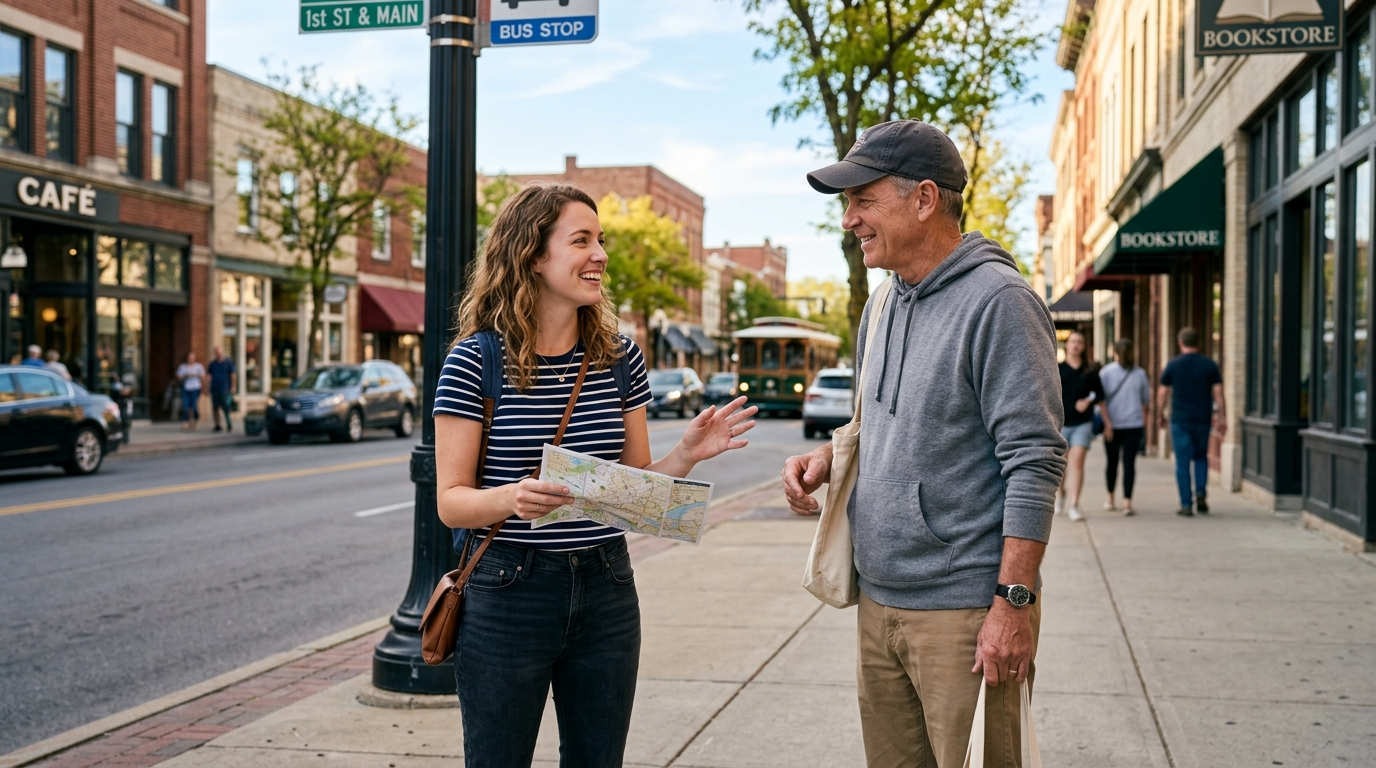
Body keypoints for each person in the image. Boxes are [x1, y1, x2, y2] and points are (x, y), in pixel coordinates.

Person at [432, 184, 757, 768]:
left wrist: (685, 454)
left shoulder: (619, 358)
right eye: (581, 240)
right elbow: (451, 504)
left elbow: (634, 488)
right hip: (508, 591)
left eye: (600, 239)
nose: (600, 254)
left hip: (607, 585)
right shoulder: (475, 360)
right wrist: (514, 497)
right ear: (532, 254)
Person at [781, 120, 1067, 768]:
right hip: (878, 600)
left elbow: (1034, 458)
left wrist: (1012, 606)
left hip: (966, 613)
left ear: (924, 199)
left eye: (862, 200)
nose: (849, 219)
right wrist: (828, 460)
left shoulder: (1000, 303)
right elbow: (880, 422)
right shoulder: (881, 304)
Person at [1158, 327, 1226, 516]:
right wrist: (1222, 416)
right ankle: (1201, 494)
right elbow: (1218, 393)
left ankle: (1186, 504)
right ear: (1199, 343)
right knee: (1201, 457)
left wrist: (1160, 414)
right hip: (1203, 418)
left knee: (1182, 462)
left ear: (1181, 343)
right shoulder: (1209, 364)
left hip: (1180, 419)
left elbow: (1162, 391)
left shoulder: (1173, 364)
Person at [1056, 331, 1109, 522]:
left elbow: (1099, 395)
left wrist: (1088, 401)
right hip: (1060, 424)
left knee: (1077, 463)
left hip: (1082, 424)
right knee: (1061, 466)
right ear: (1067, 345)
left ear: (1084, 346)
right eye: (1073, 342)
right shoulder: (1057, 369)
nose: (1076, 345)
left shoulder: (1090, 371)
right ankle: (1060, 495)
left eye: (1080, 342)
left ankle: (1074, 504)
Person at [1098, 339, 1152, 516]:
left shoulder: (1106, 372)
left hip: (1112, 425)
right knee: (1130, 464)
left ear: (1115, 353)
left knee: (1112, 463)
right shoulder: (1140, 374)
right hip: (1133, 425)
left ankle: (1110, 498)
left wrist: (1107, 423)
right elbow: (1146, 401)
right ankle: (1127, 503)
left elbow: (1101, 401)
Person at [207, 346, 236, 432]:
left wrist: (233, 386)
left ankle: (228, 423)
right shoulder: (212, 364)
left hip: (225, 388)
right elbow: (209, 376)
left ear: (223, 352)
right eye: (217, 352)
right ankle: (217, 424)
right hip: (214, 389)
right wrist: (207, 386)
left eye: (220, 352)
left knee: (225, 406)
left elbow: (233, 375)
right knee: (215, 407)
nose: (218, 353)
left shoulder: (228, 362)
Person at [176, 352, 206, 431]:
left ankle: (195, 420)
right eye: (189, 358)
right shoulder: (183, 367)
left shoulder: (199, 366)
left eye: (192, 358)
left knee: (194, 406)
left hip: (195, 388)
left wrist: (203, 389)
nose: (191, 359)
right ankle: (185, 421)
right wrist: (186, 375)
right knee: (186, 406)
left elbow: (203, 377)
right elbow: (178, 377)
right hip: (186, 388)